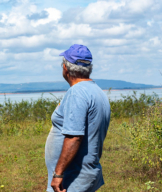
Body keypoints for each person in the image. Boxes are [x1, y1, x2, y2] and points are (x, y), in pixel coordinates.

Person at [45, 44, 111, 192]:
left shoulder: (77, 93)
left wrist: (58, 174)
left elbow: (74, 137)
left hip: (72, 177)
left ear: (66, 68)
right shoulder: (97, 91)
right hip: (85, 173)